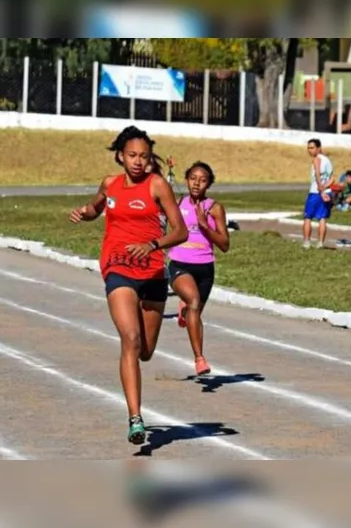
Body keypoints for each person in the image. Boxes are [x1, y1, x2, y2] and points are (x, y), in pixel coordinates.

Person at [68, 126, 188, 445]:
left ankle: (136, 391)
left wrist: (153, 245)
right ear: (121, 156)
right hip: (117, 266)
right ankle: (135, 418)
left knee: (145, 351)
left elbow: (181, 232)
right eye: (132, 155)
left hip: (151, 272)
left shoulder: (157, 185)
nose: (138, 162)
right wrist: (86, 212)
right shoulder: (110, 184)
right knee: (130, 339)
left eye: (144, 157)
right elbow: (96, 207)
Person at [166, 161, 230, 377]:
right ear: (187, 180)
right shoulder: (178, 203)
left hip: (205, 268)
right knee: (193, 302)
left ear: (208, 184)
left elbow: (225, 245)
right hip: (179, 264)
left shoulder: (215, 208)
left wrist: (205, 226)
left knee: (194, 313)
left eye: (202, 180)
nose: (196, 184)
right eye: (193, 178)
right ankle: (199, 359)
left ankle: (184, 311)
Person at [302, 138, 335, 249]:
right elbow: (332, 179)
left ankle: (306, 242)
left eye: (312, 148)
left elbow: (317, 174)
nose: (309, 150)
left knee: (307, 218)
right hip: (327, 192)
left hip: (316, 192)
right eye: (308, 148)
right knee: (322, 218)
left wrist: (321, 190)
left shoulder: (317, 159)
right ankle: (320, 243)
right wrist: (325, 188)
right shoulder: (328, 161)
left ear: (318, 148)